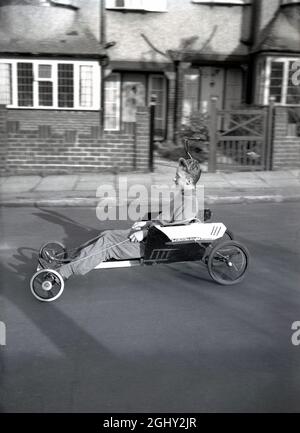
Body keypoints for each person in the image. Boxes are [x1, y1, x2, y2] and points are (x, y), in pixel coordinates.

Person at [39, 156, 202, 280]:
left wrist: (145, 233)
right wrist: (146, 223)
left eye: (177, 176)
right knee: (107, 235)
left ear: (188, 180)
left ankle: (62, 272)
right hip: (150, 235)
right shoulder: (183, 195)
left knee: (107, 246)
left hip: (152, 244)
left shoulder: (188, 202)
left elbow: (175, 231)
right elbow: (166, 220)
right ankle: (67, 258)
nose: (174, 178)